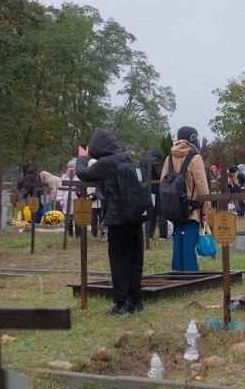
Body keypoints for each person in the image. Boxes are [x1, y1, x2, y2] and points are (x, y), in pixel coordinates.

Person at [76, 129, 145, 316]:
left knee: (119, 261)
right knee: (134, 260)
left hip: (117, 219)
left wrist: (82, 157)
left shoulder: (106, 163)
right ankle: (136, 302)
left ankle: (120, 304)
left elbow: (82, 173)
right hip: (135, 216)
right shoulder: (126, 158)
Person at [162, 126, 209, 271]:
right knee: (189, 241)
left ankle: (177, 272)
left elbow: (164, 181)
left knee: (177, 239)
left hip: (174, 205)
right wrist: (206, 208)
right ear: (193, 138)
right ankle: (191, 275)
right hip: (192, 207)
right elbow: (201, 184)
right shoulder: (195, 157)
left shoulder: (169, 157)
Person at [140, 147, 168, 239]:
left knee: (150, 213)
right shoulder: (156, 160)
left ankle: (149, 235)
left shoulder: (143, 160)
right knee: (161, 212)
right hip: (156, 189)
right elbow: (160, 174)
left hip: (146, 189)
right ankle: (163, 235)